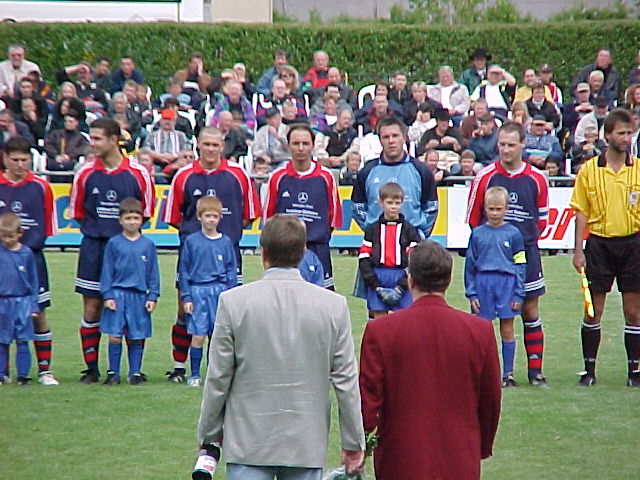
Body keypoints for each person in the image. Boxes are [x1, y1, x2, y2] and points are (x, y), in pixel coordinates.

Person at [196, 214, 365, 479]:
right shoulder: (332, 306)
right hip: (305, 443)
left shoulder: (234, 303)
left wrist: (208, 436)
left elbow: (217, 378)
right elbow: (346, 382)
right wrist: (353, 443)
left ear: (263, 253)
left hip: (248, 441)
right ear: (303, 252)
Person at [359, 239, 501, 480]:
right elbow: (490, 400)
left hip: (400, 458)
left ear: (410, 279)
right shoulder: (479, 331)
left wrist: (359, 444)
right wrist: (480, 445)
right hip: (459, 457)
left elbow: (367, 400)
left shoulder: (381, 331)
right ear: (448, 280)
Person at [163, 126, 261, 383]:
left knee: (227, 314)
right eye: (206, 144)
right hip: (192, 258)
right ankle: (179, 367)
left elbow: (249, 216)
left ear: (222, 146)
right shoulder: (183, 176)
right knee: (186, 311)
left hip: (227, 256)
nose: (210, 149)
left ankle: (222, 369)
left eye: (215, 145)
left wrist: (222, 240)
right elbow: (174, 218)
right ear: (197, 144)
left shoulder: (238, 175)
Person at [69, 117, 155, 384]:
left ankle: (132, 370)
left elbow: (147, 212)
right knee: (92, 307)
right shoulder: (85, 173)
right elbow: (79, 213)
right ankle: (92, 368)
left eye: (97, 138)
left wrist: (125, 240)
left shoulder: (137, 173)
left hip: (127, 248)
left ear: (114, 140)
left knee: (131, 308)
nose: (91, 143)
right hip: (94, 246)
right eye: (90, 138)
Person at [466, 121, 549, 386]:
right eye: (501, 144)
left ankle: (534, 371)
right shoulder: (485, 176)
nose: (505, 149)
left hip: (524, 254)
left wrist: (518, 243)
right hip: (492, 261)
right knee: (489, 317)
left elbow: (542, 221)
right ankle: (495, 372)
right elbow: (473, 219)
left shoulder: (536, 178)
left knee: (529, 309)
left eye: (511, 145)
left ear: (523, 144)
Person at [569, 108, 640, 387]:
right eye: (621, 133)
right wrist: (578, 250)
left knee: (633, 311)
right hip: (598, 244)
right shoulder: (589, 170)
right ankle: (589, 371)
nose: (626, 138)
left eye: (629, 132)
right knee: (592, 309)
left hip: (632, 243)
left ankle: (634, 371)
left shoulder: (637, 170)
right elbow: (580, 212)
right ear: (607, 135)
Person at [0, 136, 59, 385]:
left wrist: (30, 246)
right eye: (15, 160)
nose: (20, 165)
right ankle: (4, 372)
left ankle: (44, 370)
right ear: (5, 159)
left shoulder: (40, 187)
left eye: (25, 160)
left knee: (38, 314)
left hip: (31, 257)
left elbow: (48, 224)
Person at [264, 124, 341, 290]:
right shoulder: (277, 177)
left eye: (305, 143)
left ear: (313, 146)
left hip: (317, 249)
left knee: (321, 301)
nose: (300, 148)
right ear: (288, 145)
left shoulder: (326, 177)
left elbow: (333, 219)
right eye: (295, 143)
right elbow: (269, 220)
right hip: (284, 253)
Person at [465, 186, 526, 387]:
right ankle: (482, 373)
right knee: (482, 330)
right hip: (483, 284)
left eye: (499, 209)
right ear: (484, 209)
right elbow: (470, 265)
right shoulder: (478, 234)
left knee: (507, 329)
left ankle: (507, 373)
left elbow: (520, 264)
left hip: (507, 284)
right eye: (491, 209)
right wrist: (471, 292)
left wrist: (518, 294)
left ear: (506, 209)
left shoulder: (514, 234)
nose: (495, 213)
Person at [99, 198, 159, 386]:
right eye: (128, 218)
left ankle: (135, 372)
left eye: (136, 218)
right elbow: (107, 270)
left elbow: (153, 273)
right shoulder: (114, 243)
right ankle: (113, 373)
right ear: (120, 220)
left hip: (139, 296)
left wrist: (153, 295)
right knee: (115, 335)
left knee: (136, 335)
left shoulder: (148, 244)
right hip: (118, 294)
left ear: (141, 220)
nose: (132, 222)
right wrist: (107, 294)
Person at [179, 196, 237, 387]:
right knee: (198, 335)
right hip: (197, 291)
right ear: (199, 217)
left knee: (217, 335)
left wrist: (231, 295)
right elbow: (184, 270)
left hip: (218, 291)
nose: (211, 220)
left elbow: (230, 270)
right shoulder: (192, 241)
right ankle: (194, 374)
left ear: (220, 218)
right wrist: (186, 296)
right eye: (207, 216)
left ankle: (213, 373)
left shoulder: (225, 242)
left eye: (215, 216)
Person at [352, 115, 438, 240]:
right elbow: (357, 207)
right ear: (380, 140)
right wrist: (372, 231)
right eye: (386, 137)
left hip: (412, 242)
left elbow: (431, 206)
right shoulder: (366, 172)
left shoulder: (421, 170)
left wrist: (419, 233)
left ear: (404, 138)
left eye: (395, 136)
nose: (391, 141)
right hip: (378, 242)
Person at [359, 182, 420, 319]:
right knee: (379, 321)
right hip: (378, 276)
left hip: (402, 276)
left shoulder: (409, 230)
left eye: (397, 203)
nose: (393, 207)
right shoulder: (372, 229)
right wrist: (376, 286)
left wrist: (401, 286)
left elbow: (415, 261)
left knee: (403, 320)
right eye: (389, 202)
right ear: (381, 203)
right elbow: (364, 259)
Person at [0, 212, 39, 386]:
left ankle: (23, 375)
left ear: (19, 234)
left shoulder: (27, 253)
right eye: (3, 236)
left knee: (23, 340)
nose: (7, 240)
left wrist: (33, 305)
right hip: (3, 302)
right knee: (2, 340)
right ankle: (2, 374)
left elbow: (33, 281)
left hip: (22, 301)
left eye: (11, 236)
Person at [45, 113, 90, 183]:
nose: (67, 123)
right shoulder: (56, 134)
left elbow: (83, 148)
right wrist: (56, 156)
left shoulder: (81, 137)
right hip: (54, 159)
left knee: (67, 166)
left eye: (70, 121)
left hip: (72, 160)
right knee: (54, 166)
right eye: (66, 121)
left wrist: (69, 156)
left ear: (76, 123)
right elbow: (48, 145)